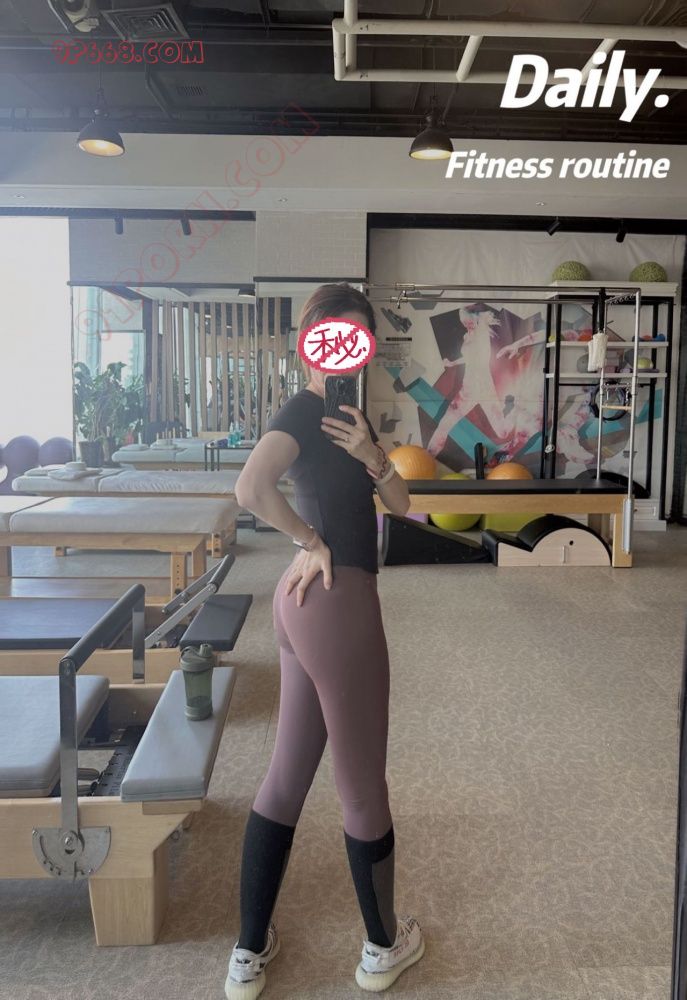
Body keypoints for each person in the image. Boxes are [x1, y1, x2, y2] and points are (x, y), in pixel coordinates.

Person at [225, 283, 425, 999]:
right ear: (308, 342)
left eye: (354, 337)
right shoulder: (302, 410)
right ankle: (383, 947)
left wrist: (375, 454)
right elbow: (252, 488)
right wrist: (310, 539)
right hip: (337, 603)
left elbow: (401, 503)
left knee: (286, 776)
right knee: (362, 788)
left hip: (302, 606)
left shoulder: (348, 418)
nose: (343, 350)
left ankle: (248, 953)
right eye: (331, 334)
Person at [427, 304, 511, 456]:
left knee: (502, 433)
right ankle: (428, 456)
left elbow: (479, 355)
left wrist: (479, 316)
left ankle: (516, 413)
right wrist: (452, 363)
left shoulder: (482, 331)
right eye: (463, 322)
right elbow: (469, 357)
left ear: (475, 318)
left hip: (485, 389)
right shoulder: (467, 336)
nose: (466, 325)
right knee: (445, 424)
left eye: (468, 321)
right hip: (467, 390)